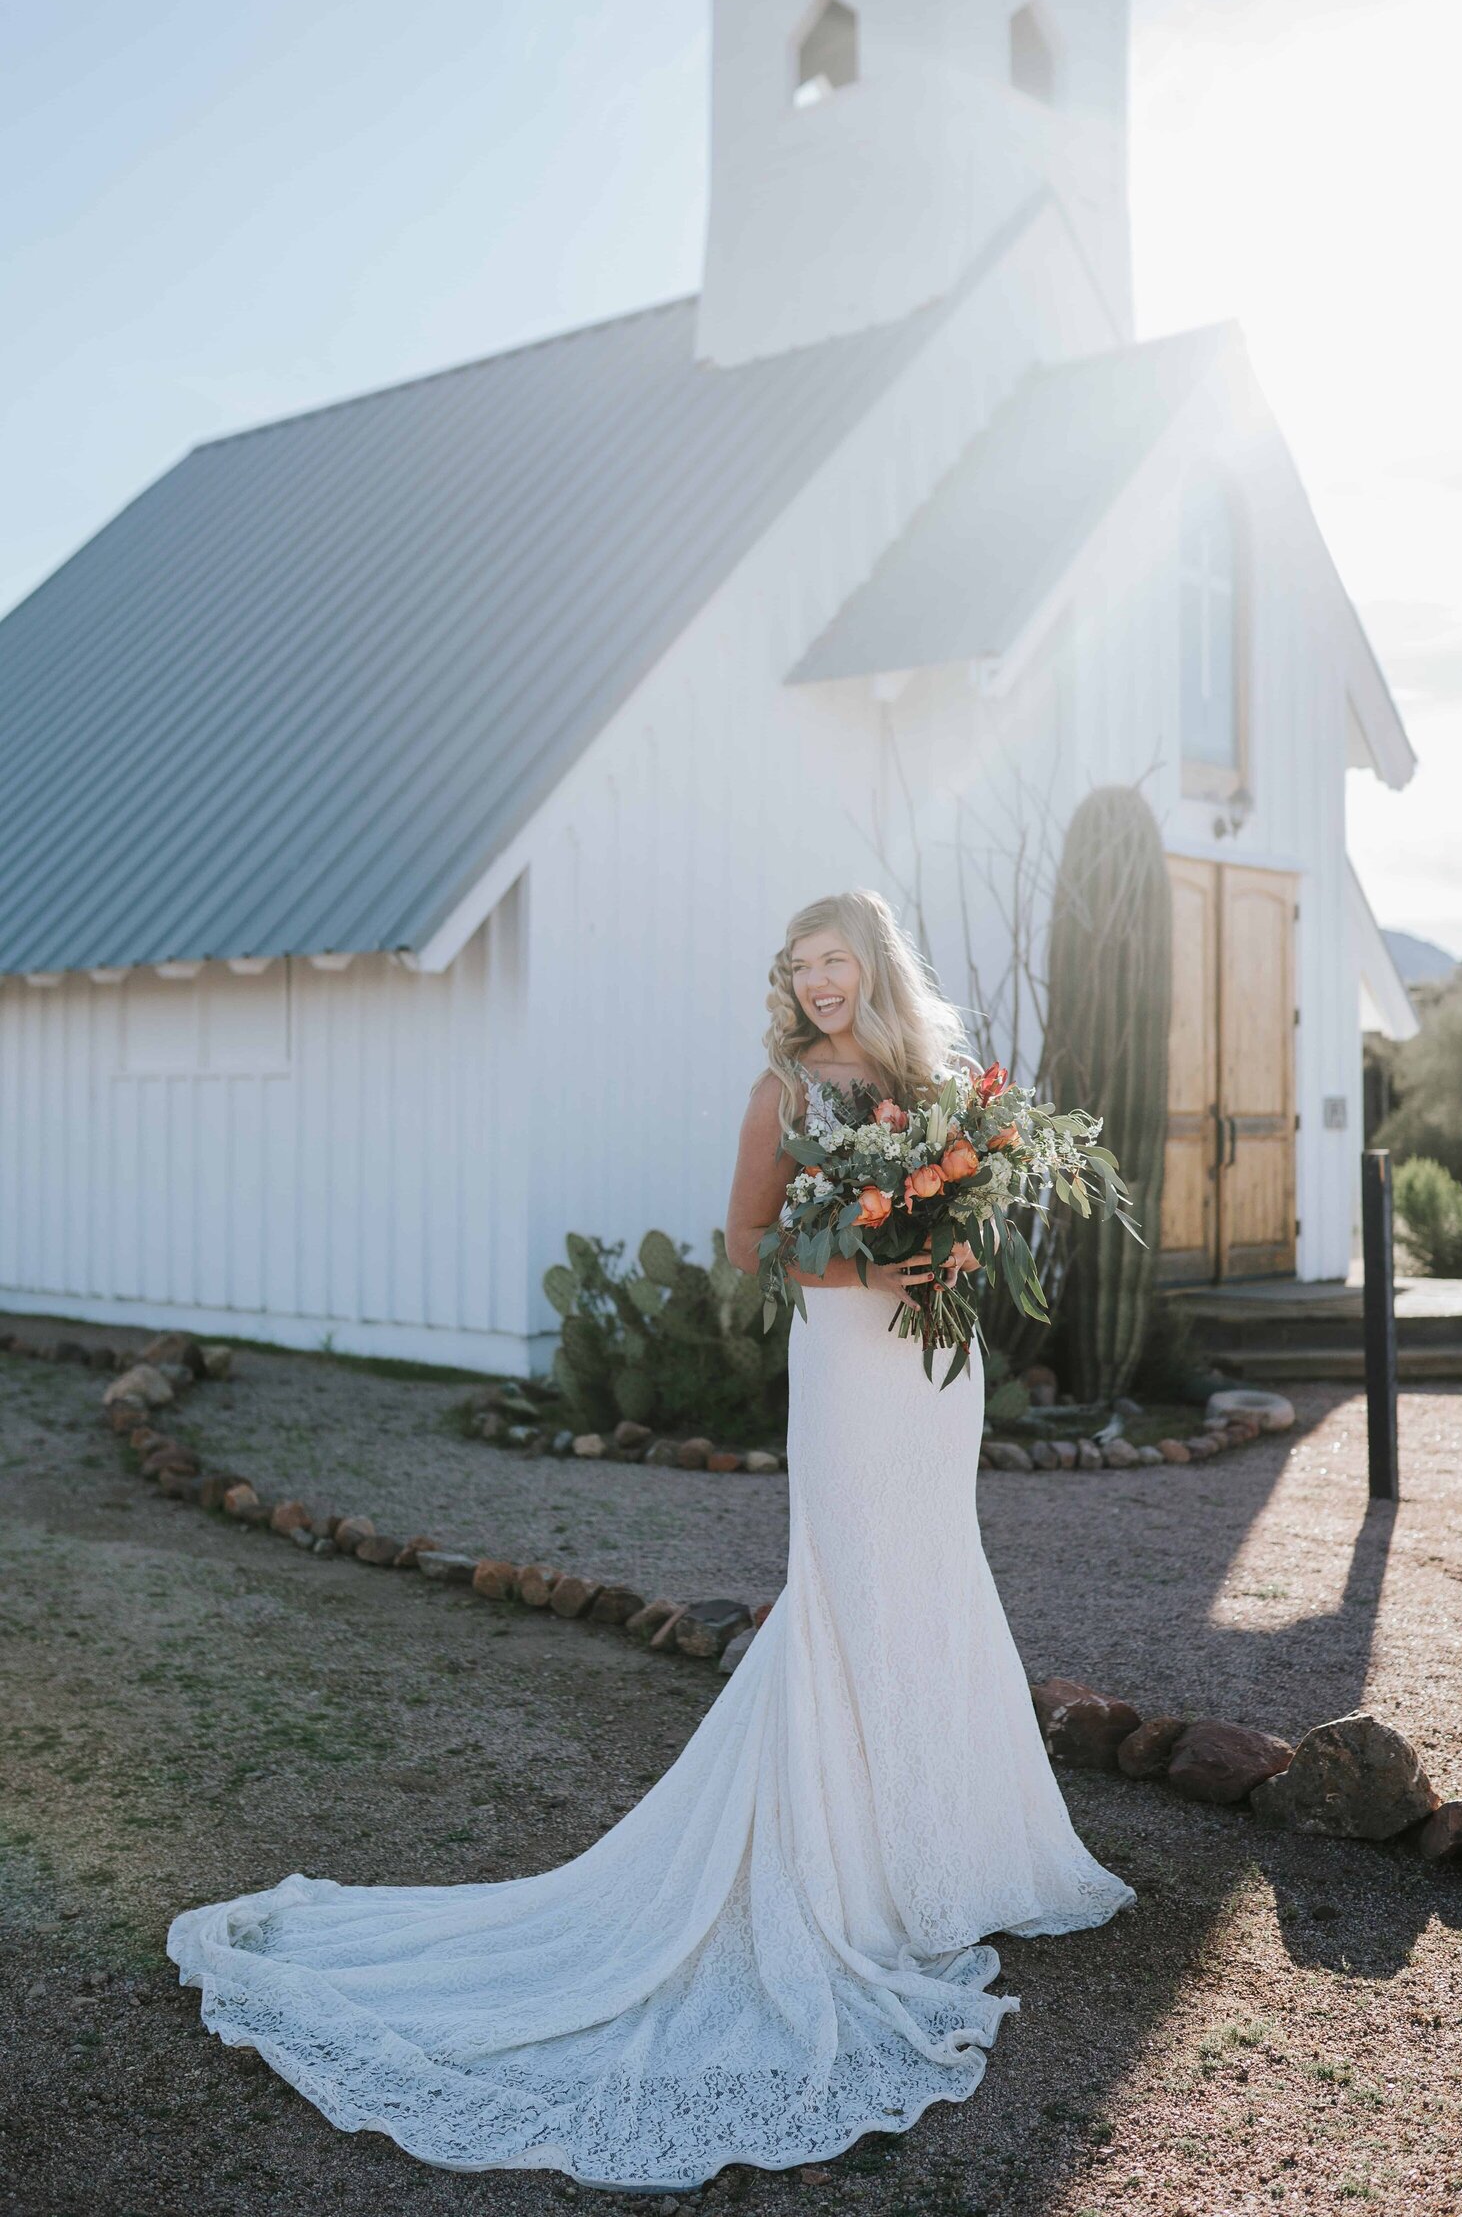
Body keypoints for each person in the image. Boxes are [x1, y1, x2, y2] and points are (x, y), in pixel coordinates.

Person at [167, 888, 1132, 2188]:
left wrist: (946, 1259)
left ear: (875, 967)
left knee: (934, 1578)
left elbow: (967, 1224)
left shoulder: (942, 1086)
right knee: (849, 1588)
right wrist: (871, 1269)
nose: (818, 986)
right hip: (847, 1368)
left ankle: (961, 1853)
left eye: (836, 963)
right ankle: (854, 1879)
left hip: (930, 1380)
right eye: (801, 968)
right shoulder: (781, 1094)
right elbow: (749, 1242)